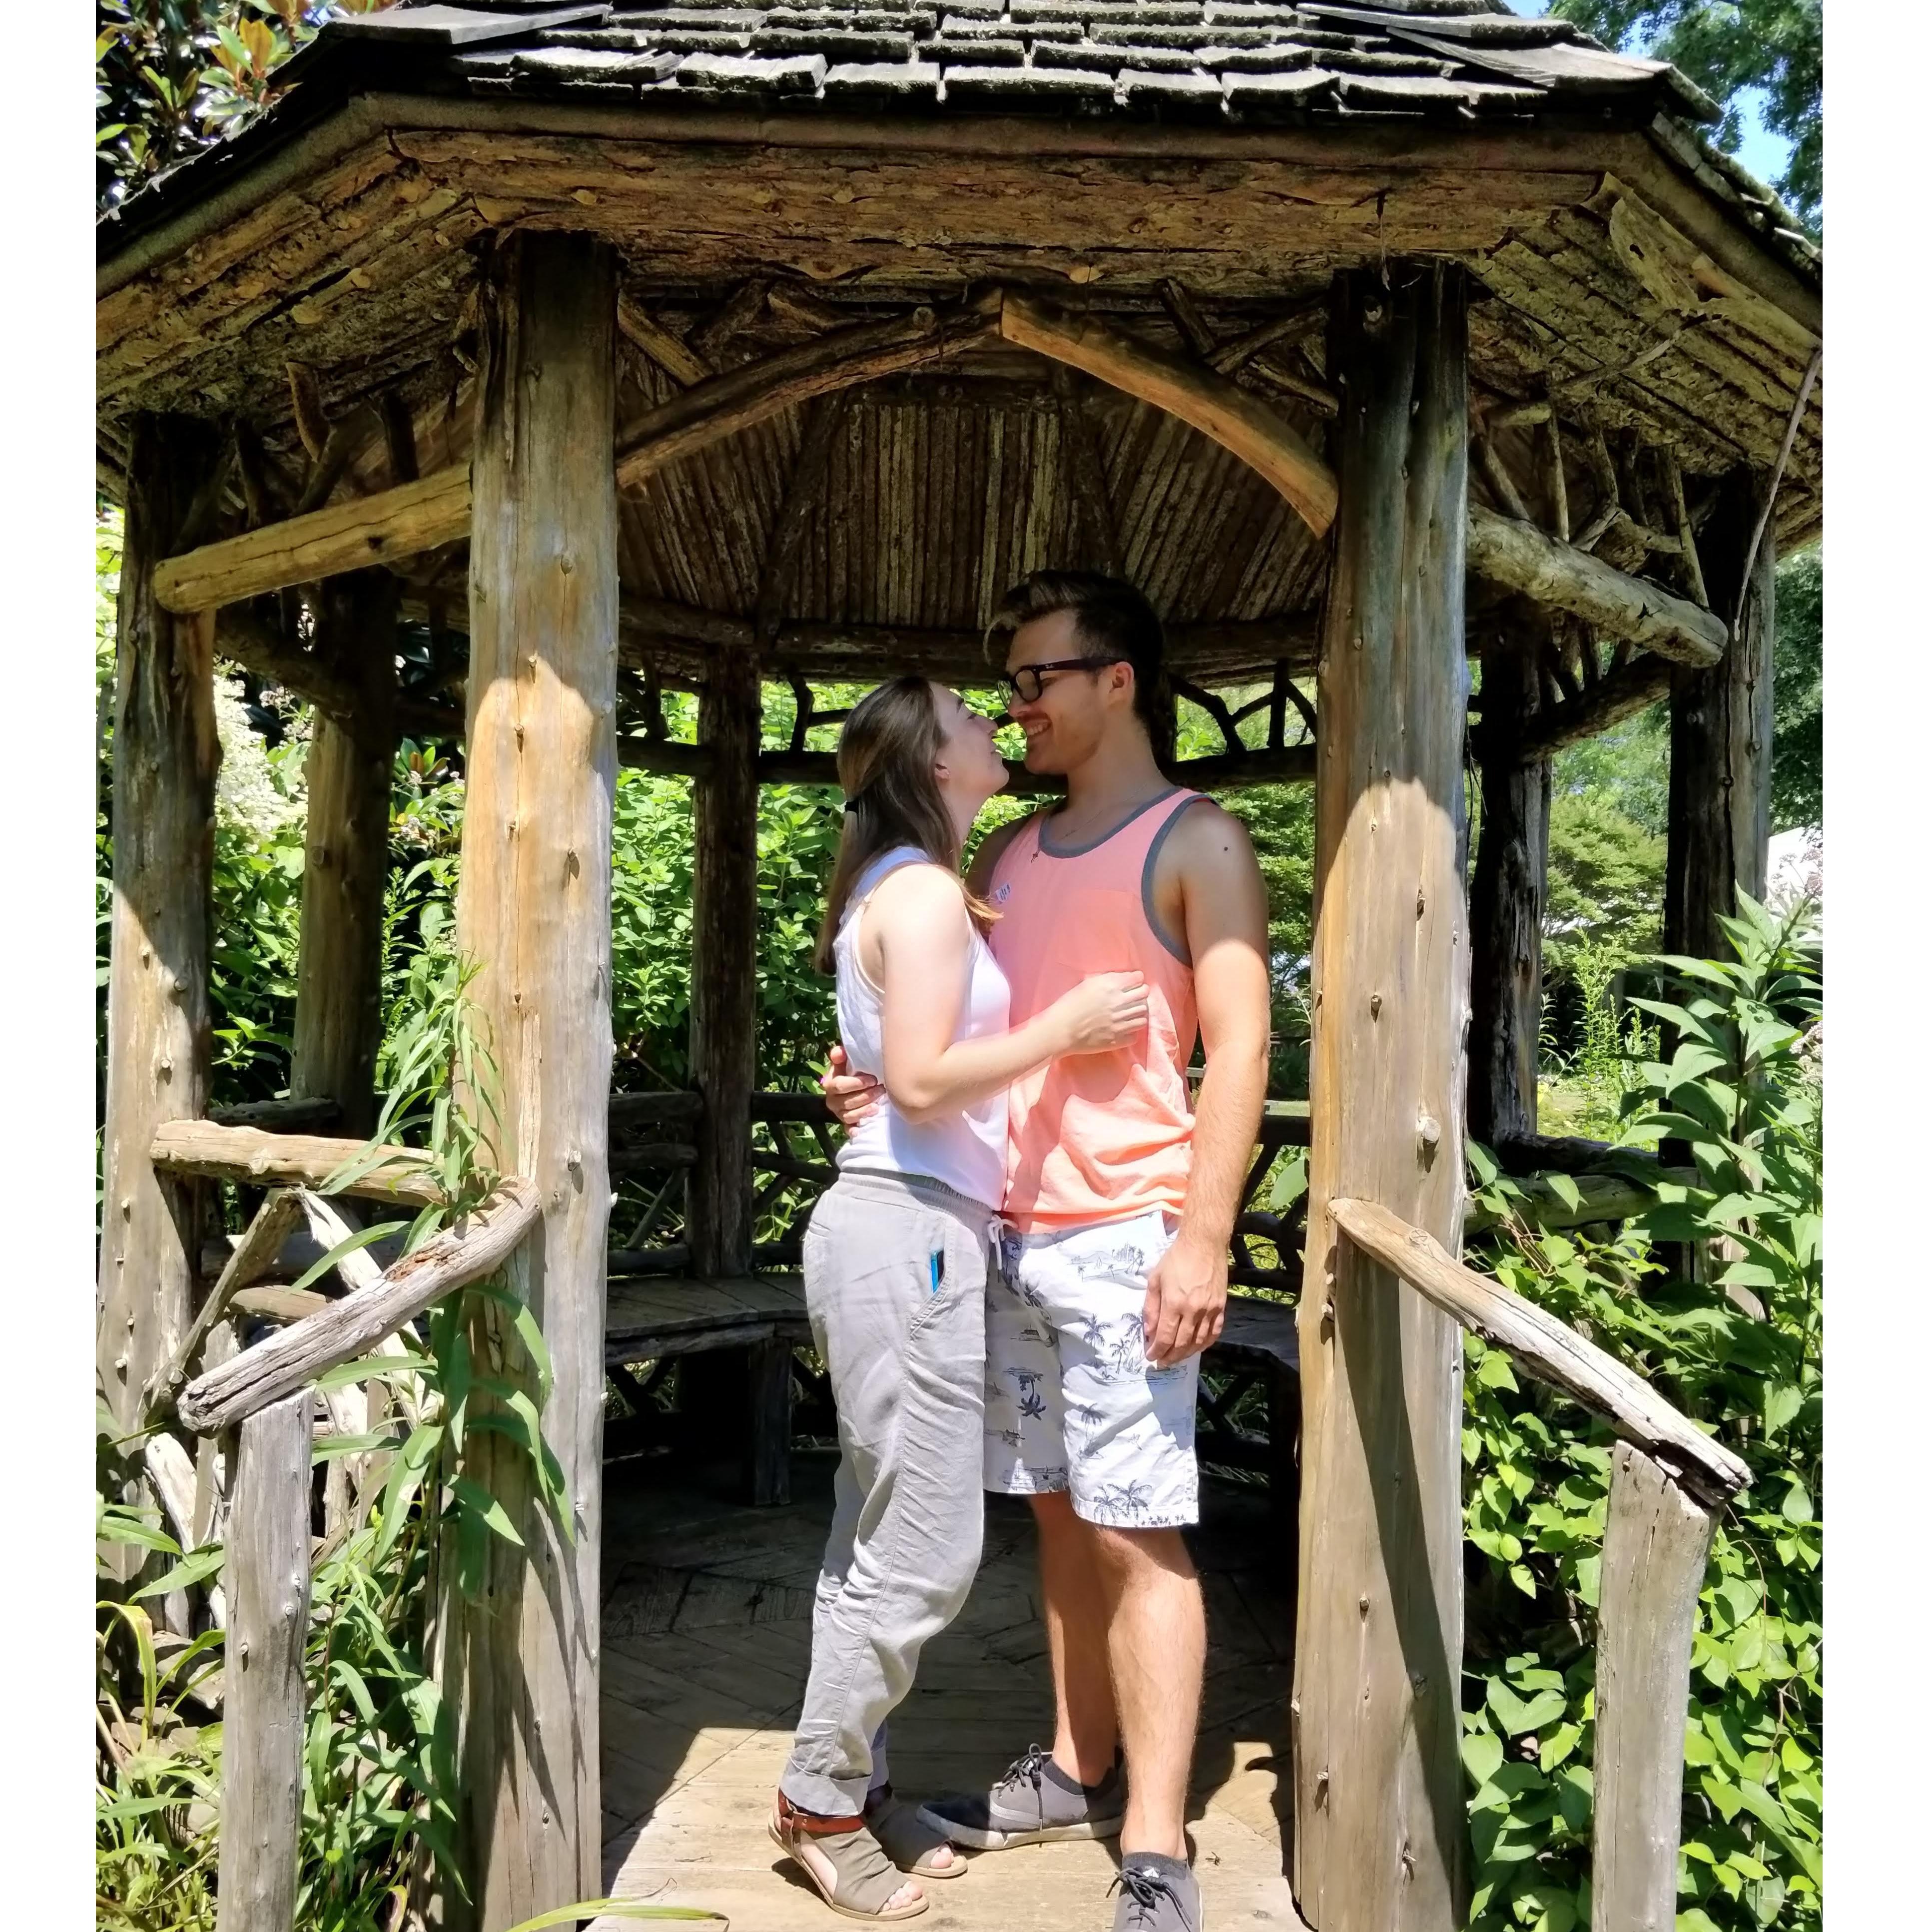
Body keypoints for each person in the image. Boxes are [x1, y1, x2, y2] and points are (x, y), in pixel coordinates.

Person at [822, 573, 1273, 1932]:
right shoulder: (1005, 856)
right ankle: (1075, 1770)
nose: (1014, 704)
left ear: (1114, 679)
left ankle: (1154, 1846)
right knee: (1063, 1522)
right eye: (1003, 686)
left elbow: (1242, 1047)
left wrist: (1204, 1233)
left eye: (1035, 679)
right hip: (1008, 1236)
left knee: (1142, 1534)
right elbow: (968, 1044)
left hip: (1131, 1235)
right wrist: (883, 1084)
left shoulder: (1197, 841)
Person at [771, 673, 1152, 1922]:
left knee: (871, 1532)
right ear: (935, 764)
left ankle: (851, 1782)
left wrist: (889, 1082)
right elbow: (931, 1079)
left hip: (899, 1228)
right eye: (968, 719)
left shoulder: (901, 882)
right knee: (929, 1545)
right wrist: (1071, 1023)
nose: (995, 725)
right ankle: (823, 1800)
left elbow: (908, 1073)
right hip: (910, 1238)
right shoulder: (928, 890)